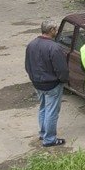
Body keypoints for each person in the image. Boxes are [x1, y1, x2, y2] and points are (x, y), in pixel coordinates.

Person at [24, 19, 69, 147]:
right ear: (51, 30)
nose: (56, 31)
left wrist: (33, 78)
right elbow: (62, 69)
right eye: (55, 29)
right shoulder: (54, 47)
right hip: (52, 84)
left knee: (43, 107)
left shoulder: (31, 45)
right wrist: (63, 80)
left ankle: (43, 133)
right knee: (52, 111)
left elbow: (27, 65)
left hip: (37, 83)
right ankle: (49, 139)